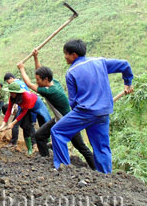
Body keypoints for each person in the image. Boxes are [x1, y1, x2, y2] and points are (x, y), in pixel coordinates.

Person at [51, 39, 133, 173]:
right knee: (101, 147)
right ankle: (106, 176)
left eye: (66, 53)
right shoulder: (100, 62)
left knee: (57, 131)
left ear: (74, 55)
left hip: (85, 112)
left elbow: (73, 101)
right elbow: (125, 64)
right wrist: (127, 83)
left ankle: (63, 168)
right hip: (103, 112)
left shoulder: (71, 72)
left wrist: (79, 118)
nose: (64, 56)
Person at [17, 49, 95, 169]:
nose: (36, 81)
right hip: (59, 119)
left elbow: (28, 84)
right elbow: (41, 71)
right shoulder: (54, 82)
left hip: (68, 120)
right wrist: (35, 58)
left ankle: (96, 169)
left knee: (80, 146)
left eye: (38, 79)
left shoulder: (51, 91)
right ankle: (45, 159)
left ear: (45, 80)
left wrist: (22, 68)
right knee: (39, 136)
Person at [0, 82, 51, 155]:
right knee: (26, 126)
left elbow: (23, 112)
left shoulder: (26, 97)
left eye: (13, 93)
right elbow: (9, 110)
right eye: (10, 92)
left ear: (17, 92)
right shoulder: (12, 98)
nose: (11, 94)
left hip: (37, 105)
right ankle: (30, 149)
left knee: (44, 123)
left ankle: (49, 145)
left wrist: (13, 123)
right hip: (27, 108)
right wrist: (3, 125)